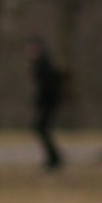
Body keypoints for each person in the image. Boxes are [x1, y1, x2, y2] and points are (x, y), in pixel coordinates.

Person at [27, 37, 65, 171]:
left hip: (49, 103)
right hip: (48, 103)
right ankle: (53, 158)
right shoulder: (41, 64)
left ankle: (54, 158)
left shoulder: (43, 64)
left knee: (42, 129)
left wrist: (42, 102)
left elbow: (47, 87)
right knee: (42, 129)